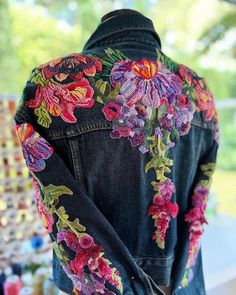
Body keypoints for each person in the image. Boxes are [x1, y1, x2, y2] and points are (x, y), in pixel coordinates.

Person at [14, 8, 219, 295]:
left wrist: (125, 283)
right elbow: (200, 195)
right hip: (180, 281)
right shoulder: (199, 91)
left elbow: (54, 196)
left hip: (94, 287)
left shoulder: (55, 81)